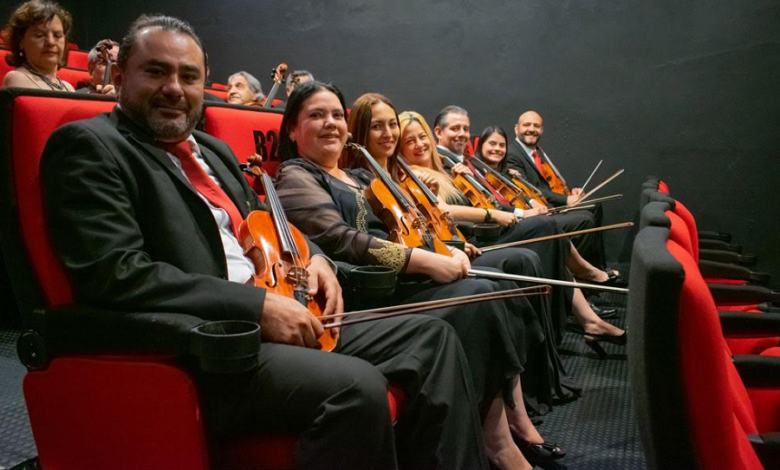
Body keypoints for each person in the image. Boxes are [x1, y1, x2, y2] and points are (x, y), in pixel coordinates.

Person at [40, 15, 489, 470]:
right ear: (119, 77)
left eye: (189, 76)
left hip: (282, 305)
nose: (174, 87)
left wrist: (317, 261)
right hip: (212, 343)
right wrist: (255, 308)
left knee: (434, 338)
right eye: (156, 71)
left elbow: (270, 225)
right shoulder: (89, 145)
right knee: (357, 386)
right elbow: (116, 275)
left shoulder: (211, 150)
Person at [275, 85, 568, 470]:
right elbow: (339, 240)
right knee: (478, 295)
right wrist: (423, 260)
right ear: (293, 129)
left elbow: (406, 223)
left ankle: (504, 427)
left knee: (494, 286)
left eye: (336, 115)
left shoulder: (357, 175)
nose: (330, 123)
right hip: (369, 291)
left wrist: (442, 246)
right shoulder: (296, 175)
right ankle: (498, 441)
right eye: (316, 115)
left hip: (401, 280)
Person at [397, 111, 626, 355]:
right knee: (546, 229)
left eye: (421, 137)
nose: (420, 144)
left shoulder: (447, 167)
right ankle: (588, 280)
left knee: (548, 231)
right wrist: (501, 215)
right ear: (439, 133)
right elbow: (446, 213)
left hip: (480, 232)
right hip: (471, 239)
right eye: (410, 141)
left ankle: (589, 315)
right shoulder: (417, 172)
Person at [2, 0, 74, 91]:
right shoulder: (17, 79)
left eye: (57, 35)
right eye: (40, 35)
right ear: (21, 41)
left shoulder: (69, 87)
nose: (51, 42)